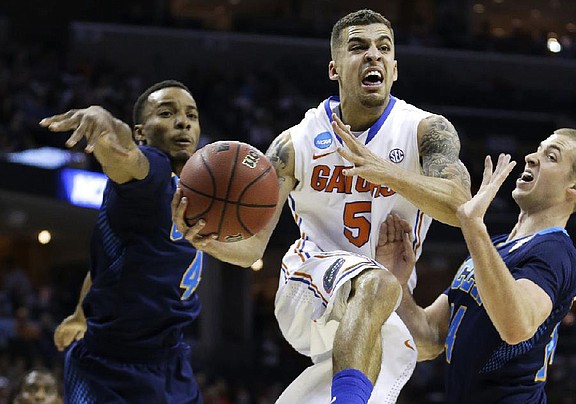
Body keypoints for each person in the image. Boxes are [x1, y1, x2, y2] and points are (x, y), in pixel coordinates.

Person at [172, 9, 470, 404]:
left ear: (395, 69)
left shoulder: (426, 130)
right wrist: (204, 238)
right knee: (376, 282)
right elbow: (252, 249)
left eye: (384, 48)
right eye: (358, 47)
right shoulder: (296, 143)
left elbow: (460, 207)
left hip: (382, 294)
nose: (373, 56)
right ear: (334, 68)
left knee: (417, 340)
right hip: (308, 283)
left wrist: (386, 173)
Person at [370, 129, 576, 403]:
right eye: (538, 150)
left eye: (551, 157)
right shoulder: (491, 248)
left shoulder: (555, 252)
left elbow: (516, 327)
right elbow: (429, 339)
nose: (531, 158)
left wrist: (473, 226)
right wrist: (396, 283)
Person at [40, 80, 206, 403]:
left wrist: (79, 315)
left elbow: (106, 266)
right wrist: (104, 123)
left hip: (171, 363)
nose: (183, 121)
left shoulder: (199, 189)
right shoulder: (153, 170)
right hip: (109, 370)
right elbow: (124, 154)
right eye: (167, 113)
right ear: (141, 132)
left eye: (192, 115)